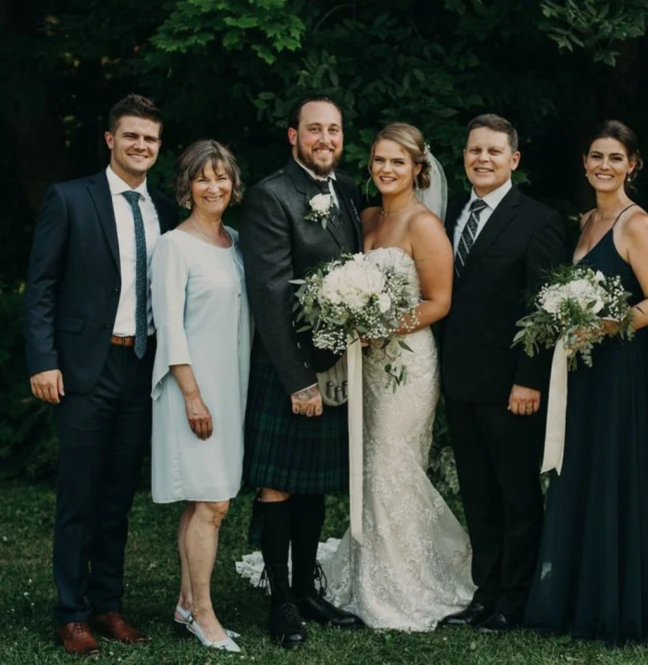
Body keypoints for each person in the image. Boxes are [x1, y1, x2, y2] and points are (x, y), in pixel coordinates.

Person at [23, 94, 176, 656]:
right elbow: (41, 285)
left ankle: (108, 604)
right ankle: (71, 612)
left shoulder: (165, 209)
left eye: (150, 138)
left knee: (117, 497)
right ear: (111, 139)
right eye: (131, 135)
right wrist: (43, 360)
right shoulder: (70, 199)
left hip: (141, 367)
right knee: (79, 496)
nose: (141, 145)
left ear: (159, 147)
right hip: (84, 367)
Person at [523, 120, 648, 645]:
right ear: (585, 163)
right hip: (582, 368)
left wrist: (605, 325)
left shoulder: (638, 224)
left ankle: (613, 603)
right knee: (581, 470)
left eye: (615, 158)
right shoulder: (587, 219)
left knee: (613, 471)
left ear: (632, 165)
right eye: (596, 157)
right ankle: (575, 597)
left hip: (619, 369)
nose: (604, 166)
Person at [315, 122, 475, 631]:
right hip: (366, 363)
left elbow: (439, 302)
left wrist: (376, 326)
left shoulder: (423, 225)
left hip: (407, 364)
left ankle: (402, 584)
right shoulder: (365, 217)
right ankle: (370, 569)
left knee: (392, 465)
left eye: (398, 162)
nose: (387, 169)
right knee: (370, 466)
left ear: (418, 170)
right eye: (380, 160)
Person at [239, 96, 366, 649]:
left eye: (333, 130)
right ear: (293, 136)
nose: (325, 139)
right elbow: (269, 296)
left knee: (313, 485)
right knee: (278, 485)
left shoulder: (349, 192)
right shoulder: (271, 196)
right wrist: (298, 380)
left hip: (333, 363)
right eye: (314, 129)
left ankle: (307, 590)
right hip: (286, 367)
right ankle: (281, 602)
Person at [438, 114, 570, 633]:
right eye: (475, 150)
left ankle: (516, 599)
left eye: (494, 151)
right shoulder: (449, 212)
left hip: (512, 386)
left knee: (517, 496)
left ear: (513, 159)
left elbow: (545, 307)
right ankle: (485, 591)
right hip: (460, 380)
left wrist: (529, 378)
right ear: (464, 156)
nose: (483, 159)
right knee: (477, 494)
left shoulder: (538, 220)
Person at [149, 140, 250, 652]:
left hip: (231, 389)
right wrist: (192, 396)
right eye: (203, 178)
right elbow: (169, 327)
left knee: (204, 502)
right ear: (186, 187)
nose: (214, 186)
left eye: (222, 177)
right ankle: (206, 617)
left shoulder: (236, 242)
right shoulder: (174, 245)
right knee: (212, 502)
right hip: (193, 390)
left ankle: (186, 604)